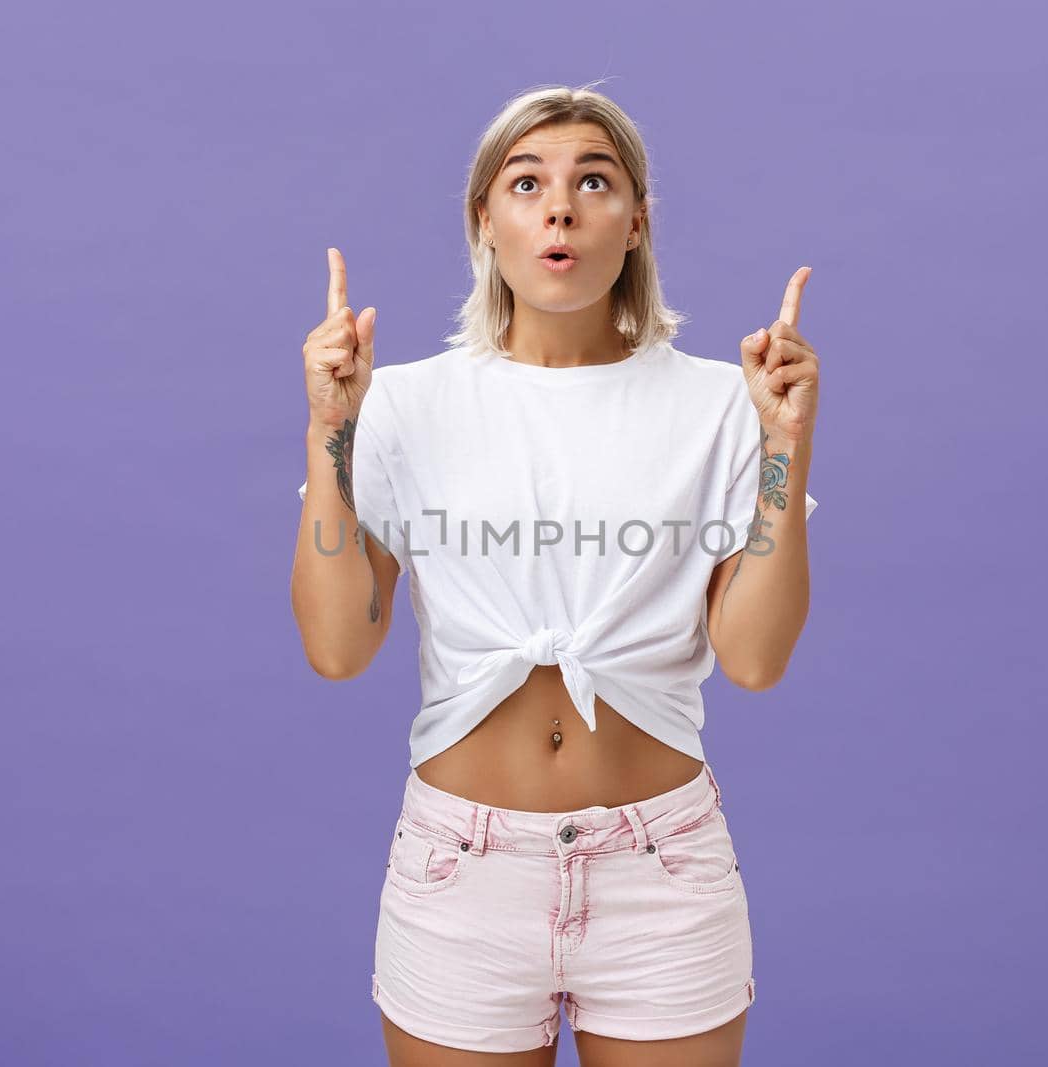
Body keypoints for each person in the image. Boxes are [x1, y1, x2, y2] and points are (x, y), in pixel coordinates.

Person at [291, 83, 819, 1066]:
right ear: (485, 221)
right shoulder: (401, 401)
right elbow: (335, 645)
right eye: (526, 182)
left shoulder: (718, 404)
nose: (561, 206)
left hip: (660, 870)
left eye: (593, 181)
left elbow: (751, 659)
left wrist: (784, 449)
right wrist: (333, 430)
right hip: (462, 872)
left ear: (637, 221)